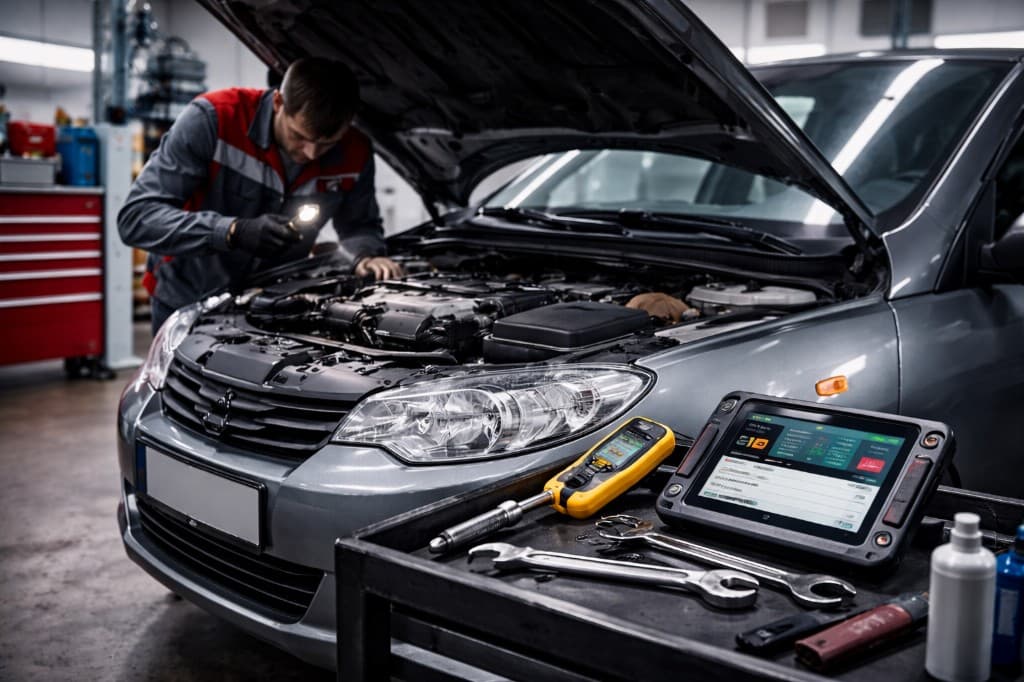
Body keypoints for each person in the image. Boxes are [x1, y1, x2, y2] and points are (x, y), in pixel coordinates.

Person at [118, 57, 403, 333]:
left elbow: (359, 226)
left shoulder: (356, 150)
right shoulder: (215, 120)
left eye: (327, 144)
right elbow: (138, 218)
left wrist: (365, 254)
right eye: (299, 137)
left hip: (274, 306)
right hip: (186, 298)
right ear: (278, 102)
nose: (311, 154)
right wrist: (231, 231)